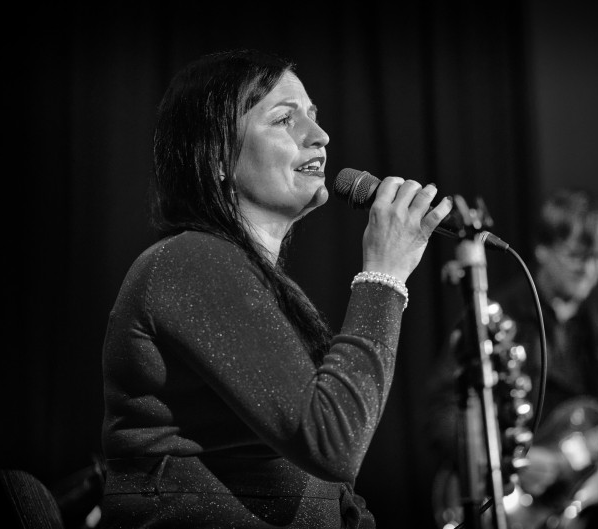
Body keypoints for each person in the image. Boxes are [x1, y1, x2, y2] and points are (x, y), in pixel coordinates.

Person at [98, 49, 452, 529]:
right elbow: (332, 444)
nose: (319, 135)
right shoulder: (191, 261)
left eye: (313, 115)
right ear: (218, 156)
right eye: (285, 119)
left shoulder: (250, 277)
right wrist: (383, 276)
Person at [426, 188, 598, 529]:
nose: (589, 269)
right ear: (542, 249)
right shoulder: (493, 315)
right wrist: (507, 459)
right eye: (577, 255)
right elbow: (441, 413)